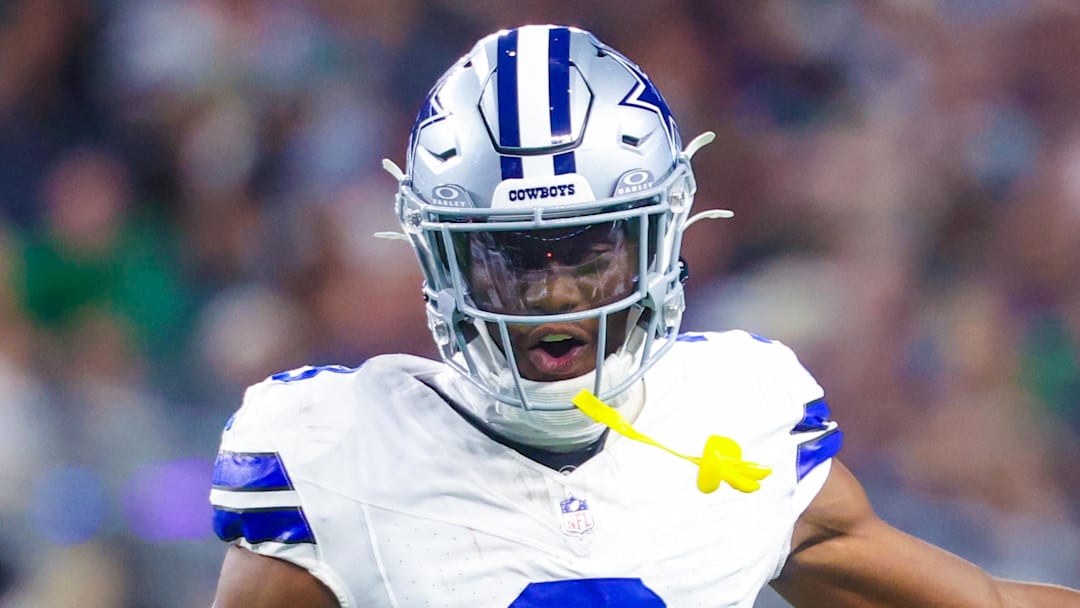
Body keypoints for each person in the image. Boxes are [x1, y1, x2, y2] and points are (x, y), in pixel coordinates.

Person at [209, 25, 1080, 607]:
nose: (554, 294)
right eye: (513, 258)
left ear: (661, 236)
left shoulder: (733, 426)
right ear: (442, 257)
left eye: (590, 249)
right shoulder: (338, 453)